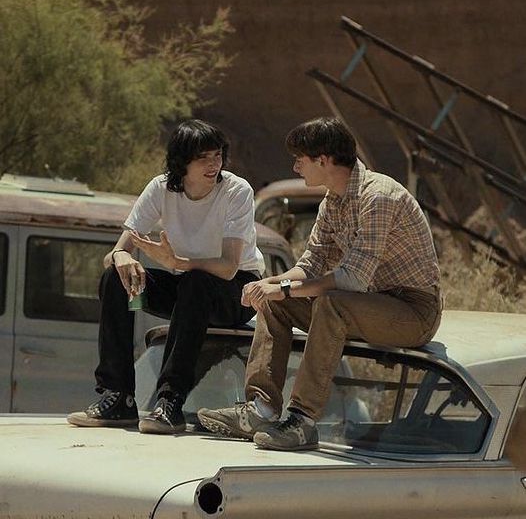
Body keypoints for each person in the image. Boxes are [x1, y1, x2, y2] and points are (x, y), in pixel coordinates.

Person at [198, 117, 442, 451]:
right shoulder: (332, 202)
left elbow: (352, 279)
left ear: (323, 160)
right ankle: (261, 409)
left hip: (413, 311)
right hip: (367, 305)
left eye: (301, 159)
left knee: (331, 302)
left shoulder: (379, 196)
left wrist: (282, 288)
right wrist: (270, 284)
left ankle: (302, 420)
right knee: (274, 302)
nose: (296, 167)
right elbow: (311, 263)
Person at [67, 119, 264, 434]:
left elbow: (228, 267)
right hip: (188, 295)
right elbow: (114, 254)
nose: (214, 164)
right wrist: (122, 258)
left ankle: (170, 402)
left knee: (196, 281)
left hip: (235, 295)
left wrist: (178, 261)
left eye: (218, 155)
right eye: (203, 158)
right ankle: (118, 397)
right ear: (182, 161)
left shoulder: (236, 190)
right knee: (115, 280)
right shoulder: (160, 187)